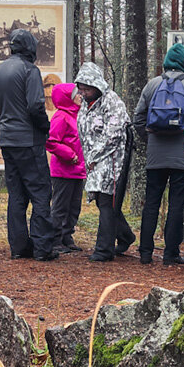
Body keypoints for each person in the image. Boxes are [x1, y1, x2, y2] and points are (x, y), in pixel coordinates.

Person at [133, 42, 184, 266]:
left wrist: (151, 140)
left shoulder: (152, 85)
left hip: (155, 157)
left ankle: (145, 253)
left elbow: (138, 119)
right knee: (177, 203)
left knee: (151, 203)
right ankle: (170, 254)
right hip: (182, 156)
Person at [0, 29, 58, 260]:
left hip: (8, 141)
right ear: (31, 47)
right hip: (29, 141)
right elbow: (35, 107)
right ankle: (43, 249)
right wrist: (45, 128)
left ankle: (19, 248)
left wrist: (9, 125)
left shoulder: (0, 70)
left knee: (16, 195)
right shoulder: (30, 70)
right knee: (40, 192)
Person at [74, 61, 136, 262]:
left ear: (97, 85)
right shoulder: (85, 104)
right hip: (93, 161)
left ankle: (104, 249)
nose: (83, 92)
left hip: (112, 160)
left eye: (87, 88)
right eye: (81, 88)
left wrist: (94, 156)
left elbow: (114, 134)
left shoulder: (112, 101)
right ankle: (125, 235)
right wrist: (89, 158)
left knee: (107, 201)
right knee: (103, 202)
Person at [45, 82, 86, 253]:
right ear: (67, 98)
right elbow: (51, 141)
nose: (80, 96)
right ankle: (55, 240)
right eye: (76, 94)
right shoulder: (61, 116)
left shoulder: (79, 115)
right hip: (63, 170)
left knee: (74, 207)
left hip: (78, 170)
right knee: (60, 207)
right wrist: (70, 155)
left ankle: (67, 236)